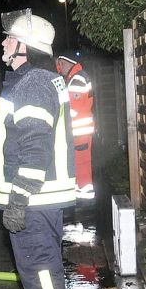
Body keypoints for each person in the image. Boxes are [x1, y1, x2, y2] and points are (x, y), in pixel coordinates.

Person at [0, 9, 76, 289]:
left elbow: (34, 150)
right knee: (37, 268)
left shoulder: (34, 84)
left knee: (40, 269)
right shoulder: (36, 80)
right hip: (37, 200)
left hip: (34, 201)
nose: (4, 43)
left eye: (9, 38)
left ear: (24, 45)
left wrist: (19, 198)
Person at [56, 54, 94, 200]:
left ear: (66, 62)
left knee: (81, 161)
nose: (59, 68)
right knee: (81, 161)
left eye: (60, 64)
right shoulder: (78, 77)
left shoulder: (77, 79)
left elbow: (73, 108)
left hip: (79, 130)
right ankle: (82, 190)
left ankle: (84, 192)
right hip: (81, 130)